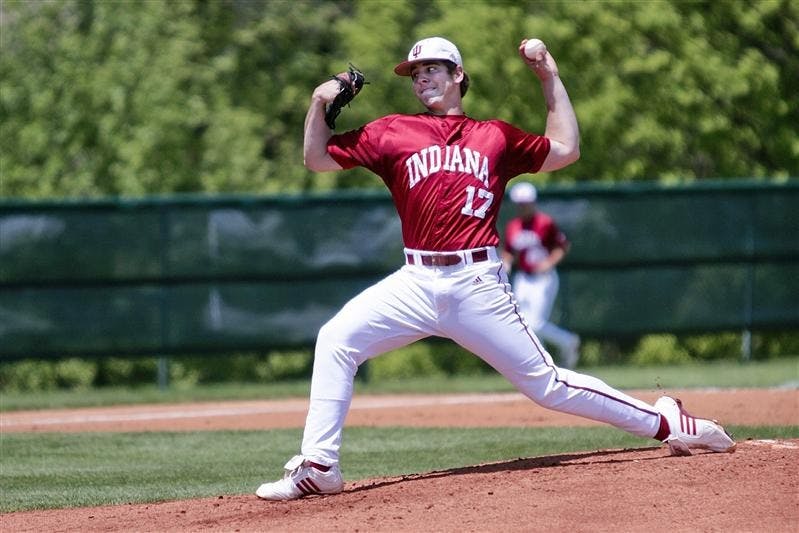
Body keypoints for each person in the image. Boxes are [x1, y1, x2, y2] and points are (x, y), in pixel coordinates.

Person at [256, 36, 735, 501]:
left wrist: (549, 75)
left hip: (476, 282)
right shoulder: (391, 131)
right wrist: (319, 104)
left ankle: (670, 423)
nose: (422, 78)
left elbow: (566, 148)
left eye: (433, 69)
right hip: (415, 281)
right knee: (336, 339)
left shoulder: (495, 136)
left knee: (547, 386)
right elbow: (316, 159)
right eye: (416, 72)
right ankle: (319, 466)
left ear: (458, 75)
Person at [502, 181, 580, 369]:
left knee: (535, 324)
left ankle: (568, 342)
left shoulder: (544, 223)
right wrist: (506, 262)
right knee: (522, 323)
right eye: (520, 203)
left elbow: (563, 246)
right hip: (523, 278)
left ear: (533, 202)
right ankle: (544, 364)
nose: (523, 206)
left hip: (544, 278)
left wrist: (548, 262)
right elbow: (508, 251)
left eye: (526, 202)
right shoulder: (513, 226)